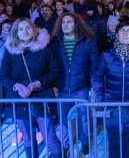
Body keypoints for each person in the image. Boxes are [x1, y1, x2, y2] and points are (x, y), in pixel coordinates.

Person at [0, 18, 62, 158]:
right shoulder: (10, 51)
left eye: (27, 28)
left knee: (50, 139)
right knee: (28, 138)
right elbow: (3, 75)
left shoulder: (44, 47)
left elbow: (55, 70)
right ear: (15, 32)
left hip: (42, 98)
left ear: (33, 29)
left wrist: (38, 83)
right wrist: (16, 86)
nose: (24, 31)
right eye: (20, 29)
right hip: (19, 100)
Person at [92, 21, 129, 158]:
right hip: (112, 105)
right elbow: (96, 78)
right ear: (117, 34)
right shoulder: (107, 55)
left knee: (128, 142)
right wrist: (101, 99)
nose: (126, 34)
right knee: (113, 142)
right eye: (122, 31)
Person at [51, 12, 99, 156]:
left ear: (76, 24)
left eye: (69, 22)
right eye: (63, 22)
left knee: (84, 118)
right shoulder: (54, 43)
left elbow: (94, 66)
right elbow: (50, 65)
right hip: (62, 89)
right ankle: (66, 145)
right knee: (63, 120)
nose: (65, 24)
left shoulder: (88, 42)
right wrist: (53, 85)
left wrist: (92, 87)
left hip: (81, 88)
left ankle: (84, 142)